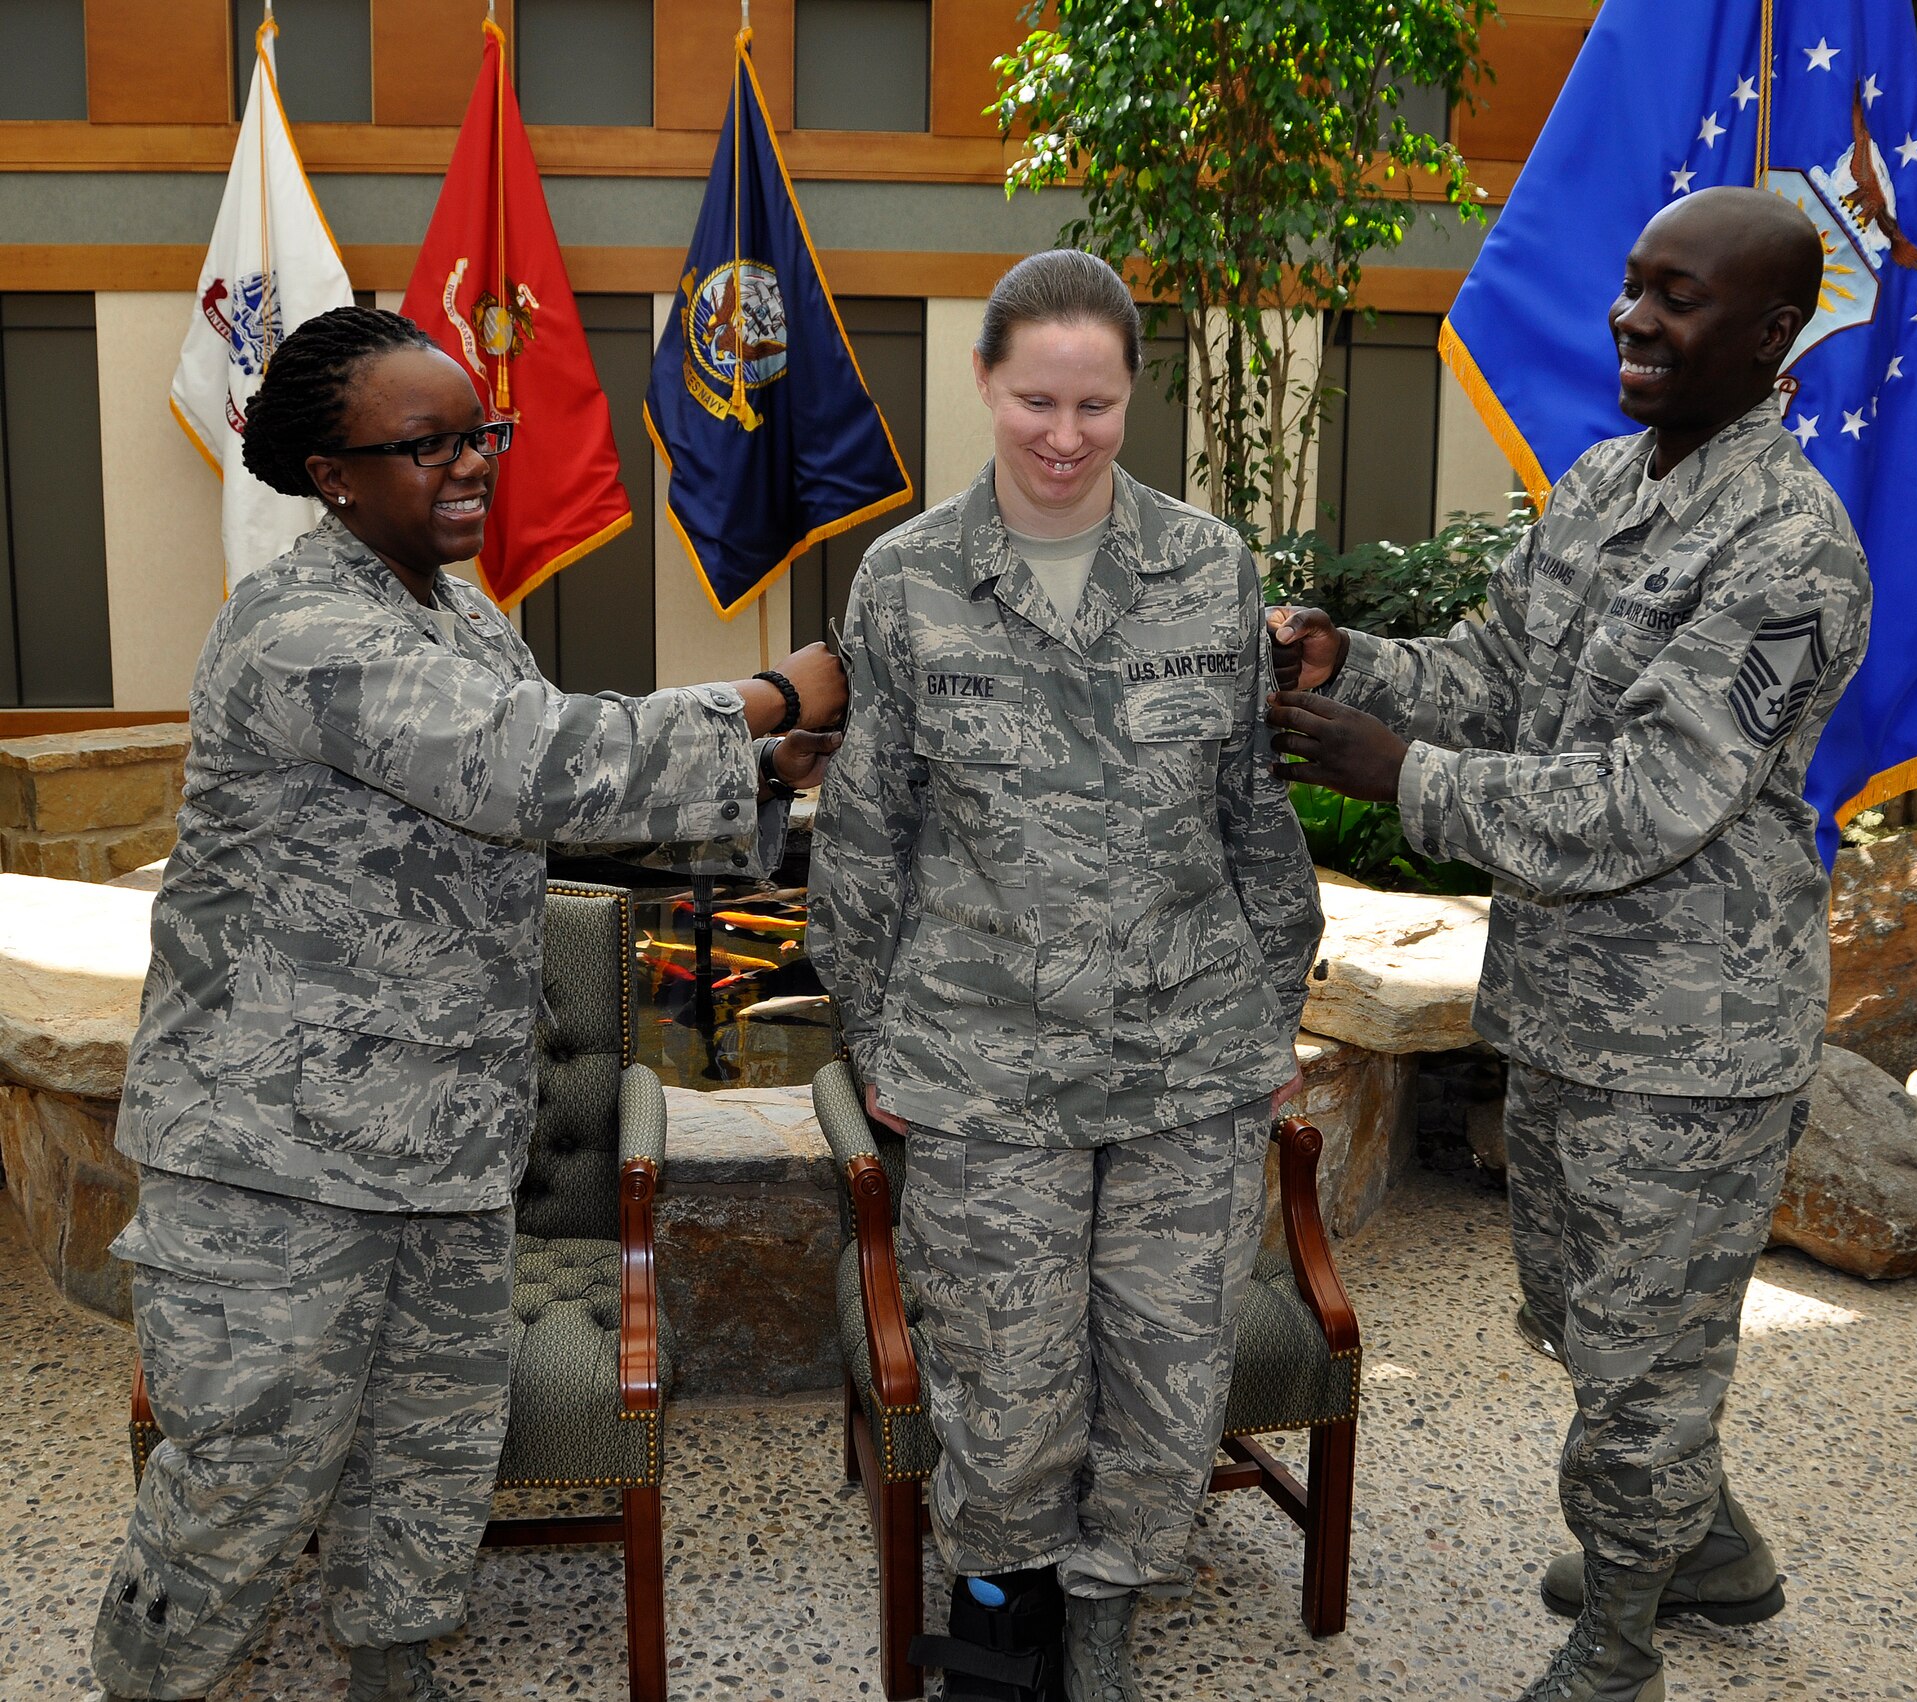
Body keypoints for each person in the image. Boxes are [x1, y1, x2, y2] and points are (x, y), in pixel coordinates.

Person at [91, 305, 846, 1702]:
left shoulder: (458, 612)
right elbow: (533, 764)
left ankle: (396, 1666)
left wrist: (763, 772)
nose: (472, 464)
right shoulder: (304, 627)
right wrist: (766, 690)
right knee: (242, 1483)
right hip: (282, 1164)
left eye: (479, 434)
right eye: (427, 443)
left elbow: (537, 812)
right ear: (333, 471)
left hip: (442, 1144)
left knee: (426, 1450)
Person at [1268, 186, 1871, 1702]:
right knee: (1583, 1313)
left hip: (1691, 1038)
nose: (1632, 318)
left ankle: (1619, 1639)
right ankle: (1705, 1545)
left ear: (1774, 335)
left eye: (1678, 299)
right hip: (1560, 1008)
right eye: (1630, 286)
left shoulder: (1793, 551)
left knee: (1641, 1364)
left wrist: (1396, 772)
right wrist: (1366, 668)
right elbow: (1493, 673)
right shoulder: (1605, 484)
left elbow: (1650, 797)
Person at [808, 249, 1322, 1702]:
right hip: (983, 1069)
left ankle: (1107, 1613)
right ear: (983, 381)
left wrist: (1275, 1007)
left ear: (1130, 396)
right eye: (1036, 397)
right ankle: (1002, 1602)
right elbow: (866, 834)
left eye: (1096, 404)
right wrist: (877, 1039)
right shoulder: (907, 578)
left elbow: (1250, 812)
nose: (1063, 434)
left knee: (1167, 1378)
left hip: (1188, 1064)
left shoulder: (1211, 567)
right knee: (1010, 1383)